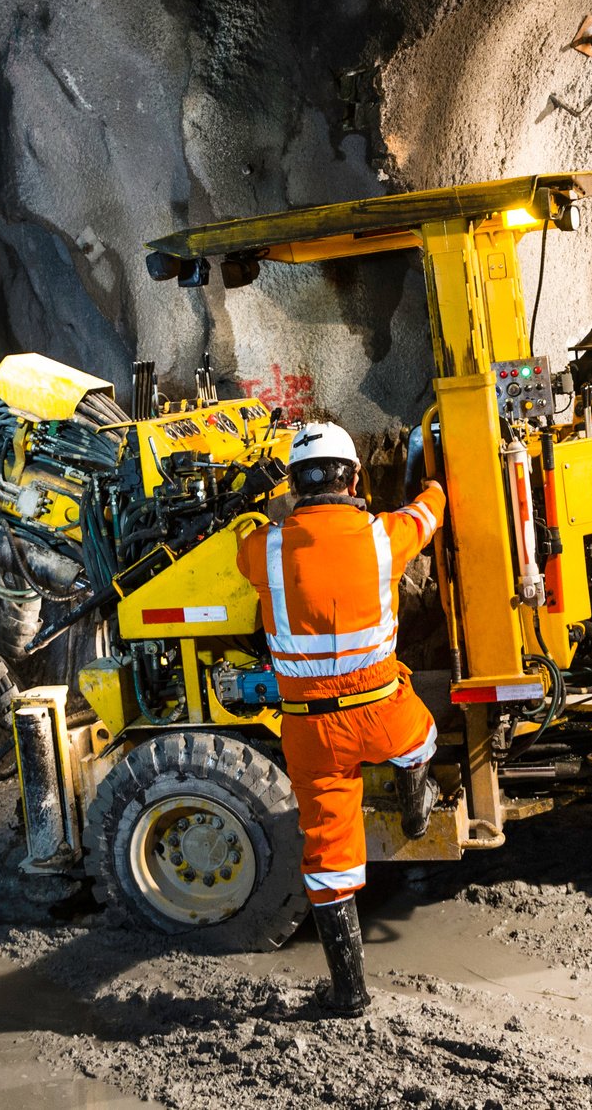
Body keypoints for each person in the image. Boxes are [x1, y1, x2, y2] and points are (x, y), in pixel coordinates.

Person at [237, 421, 444, 1016]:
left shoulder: (267, 548)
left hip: (309, 729)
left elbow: (242, 541)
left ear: (296, 485)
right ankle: (414, 807)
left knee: (329, 858)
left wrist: (257, 503)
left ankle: (349, 996)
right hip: (380, 708)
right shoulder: (384, 536)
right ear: (353, 477)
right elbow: (427, 514)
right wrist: (435, 483)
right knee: (421, 737)